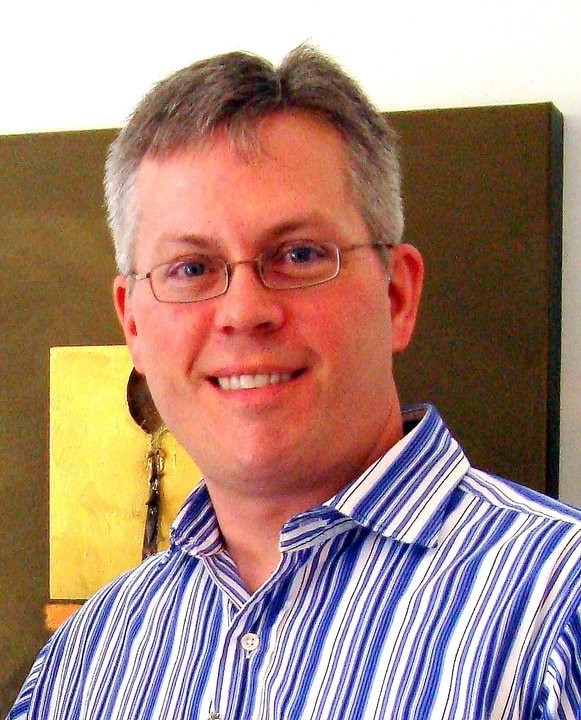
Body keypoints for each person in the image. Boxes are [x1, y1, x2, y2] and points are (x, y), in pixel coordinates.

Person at [8, 45, 581, 720]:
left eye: (299, 254)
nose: (244, 312)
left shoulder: (558, 615)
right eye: (191, 268)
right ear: (132, 322)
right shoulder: (86, 661)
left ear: (397, 295)